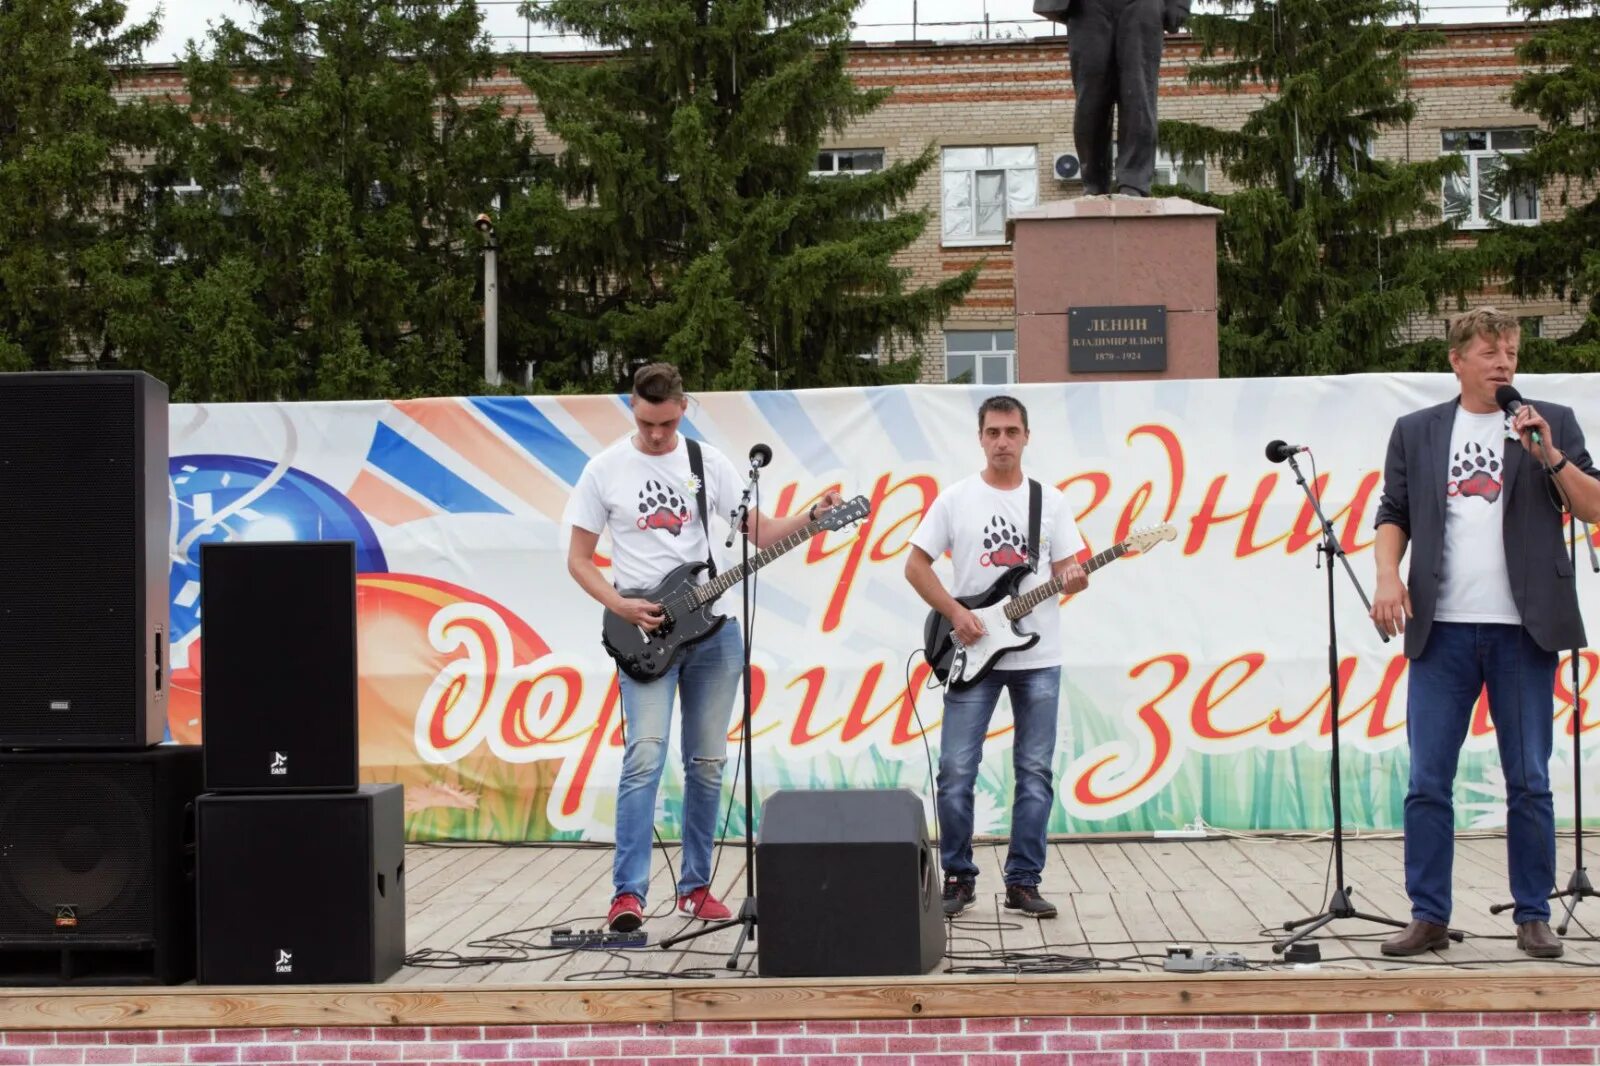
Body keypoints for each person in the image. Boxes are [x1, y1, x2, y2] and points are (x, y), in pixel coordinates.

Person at [565, 362, 841, 933]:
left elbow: (758, 534)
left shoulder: (705, 464)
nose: (658, 435)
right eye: (646, 423)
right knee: (644, 756)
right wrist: (620, 605)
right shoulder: (605, 470)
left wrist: (812, 519)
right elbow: (578, 559)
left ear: (683, 408)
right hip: (641, 630)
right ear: (632, 408)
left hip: (712, 632)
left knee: (709, 764)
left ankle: (695, 887)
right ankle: (628, 896)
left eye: (666, 423)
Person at [1371, 307, 1600, 959]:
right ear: (1456, 359)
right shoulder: (1417, 430)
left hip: (1522, 631)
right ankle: (1429, 915)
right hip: (1440, 632)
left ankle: (1532, 914)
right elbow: (1394, 513)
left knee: (1528, 777)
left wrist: (1547, 451)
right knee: (1428, 778)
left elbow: (1592, 505)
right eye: (1490, 351)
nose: (1504, 362)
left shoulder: (1547, 420)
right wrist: (1389, 576)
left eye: (1511, 351)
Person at [905, 395, 1089, 918]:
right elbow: (915, 566)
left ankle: (1023, 881)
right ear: (980, 438)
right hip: (971, 652)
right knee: (956, 770)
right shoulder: (955, 499)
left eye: (1012, 431)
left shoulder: (1049, 502)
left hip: (1039, 656)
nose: (1003, 441)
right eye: (993, 432)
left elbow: (1069, 569)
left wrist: (1077, 577)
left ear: (1027, 436)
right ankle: (959, 877)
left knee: (1034, 771)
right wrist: (956, 614)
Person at [1033, 0, 1192, 196]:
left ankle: (1134, 182)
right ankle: (1093, 182)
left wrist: (1179, 3)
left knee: (1138, 95)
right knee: (1090, 100)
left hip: (1142, 5)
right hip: (1087, 7)